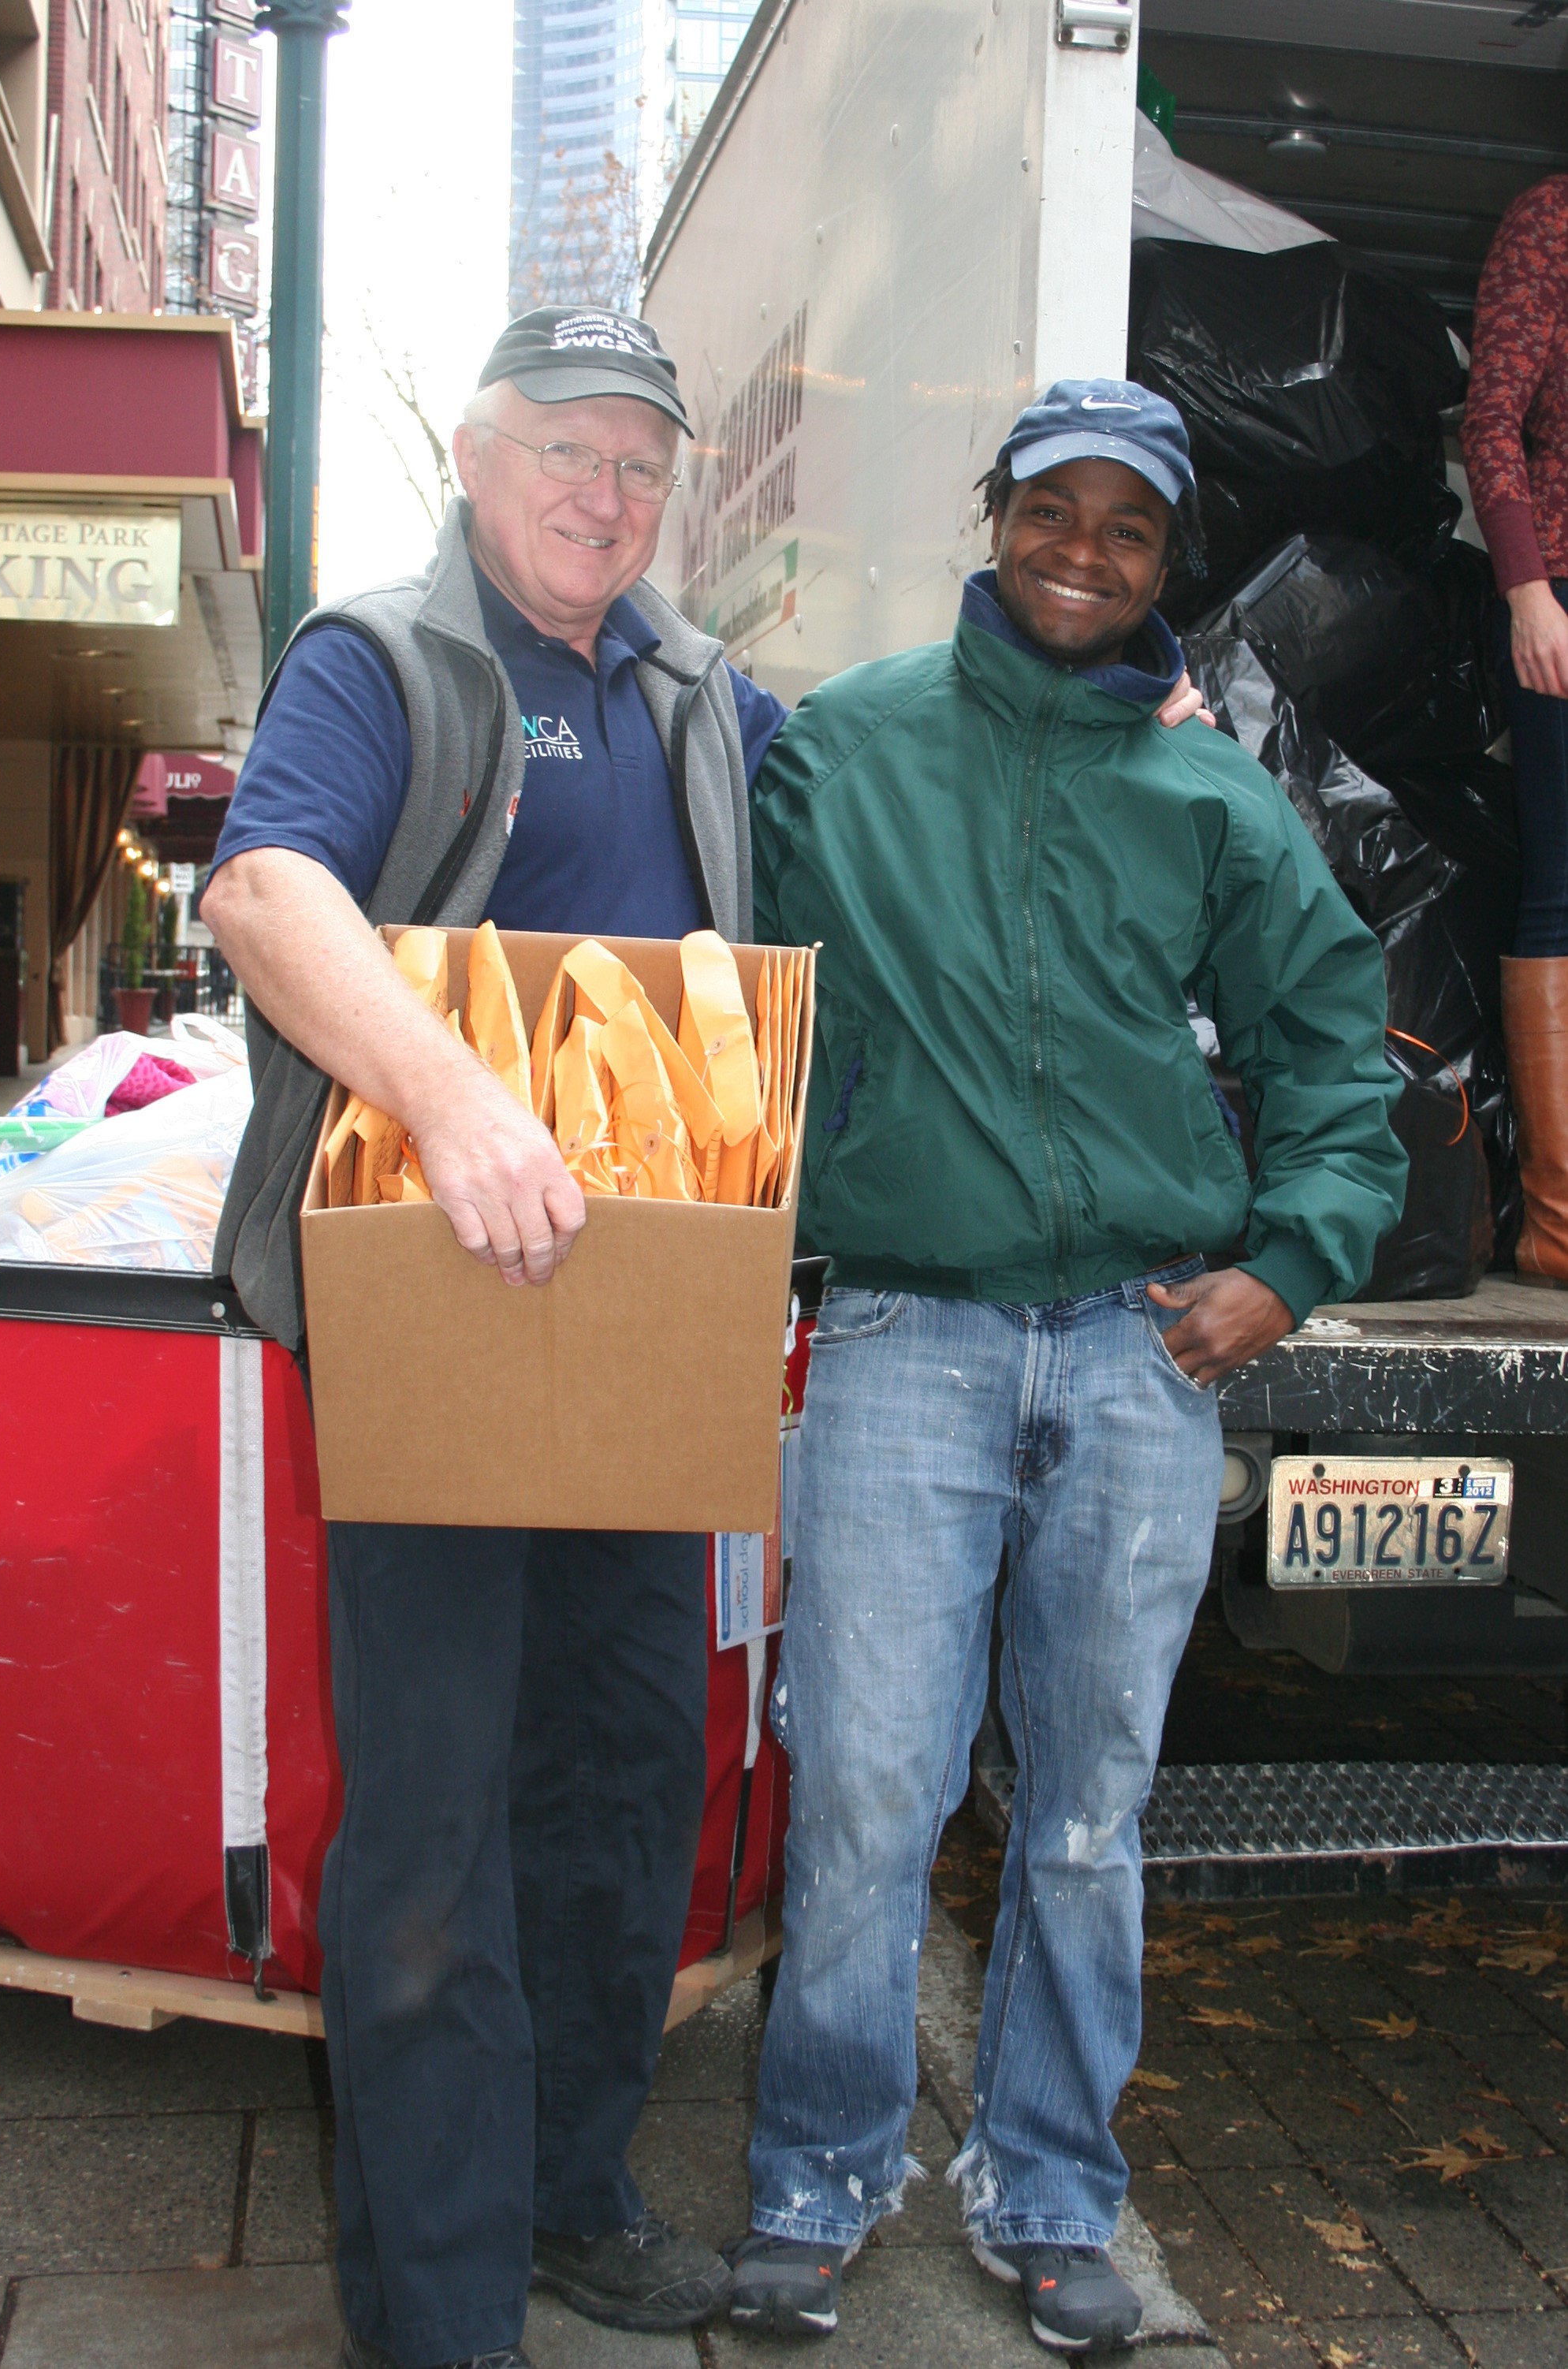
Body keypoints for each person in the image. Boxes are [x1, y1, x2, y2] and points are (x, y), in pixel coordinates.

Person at [725, 382, 1406, 2351]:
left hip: (1138, 1356)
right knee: (863, 1784)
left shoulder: (1214, 801)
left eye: (1127, 523)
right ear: (997, 515)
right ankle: (819, 2177)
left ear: (1166, 554)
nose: (1083, 548)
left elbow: (1334, 1055)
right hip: (898, 1343)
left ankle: (1048, 2190)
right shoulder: (837, 753)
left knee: (1092, 1803)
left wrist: (1289, 1262)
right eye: (1053, 508)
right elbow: (728, 1007)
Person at [202, 307, 791, 2369]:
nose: (604, 495)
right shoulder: (386, 655)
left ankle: (568, 2185)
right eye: (564, 448)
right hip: (433, 1293)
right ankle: (440, 2302)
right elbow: (266, 893)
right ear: (473, 453)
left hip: (635, 1316)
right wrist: (459, 1100)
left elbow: (882, 783)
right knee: (436, 1822)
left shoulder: (700, 692)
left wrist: (1120, 701)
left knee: (627, 1778)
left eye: (641, 461)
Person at [1461, 175, 1568, 1283]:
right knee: (1563, 883)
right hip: (1564, 595)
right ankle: (1559, 1222)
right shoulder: (1550, 219)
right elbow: (1491, 416)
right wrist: (1528, 590)